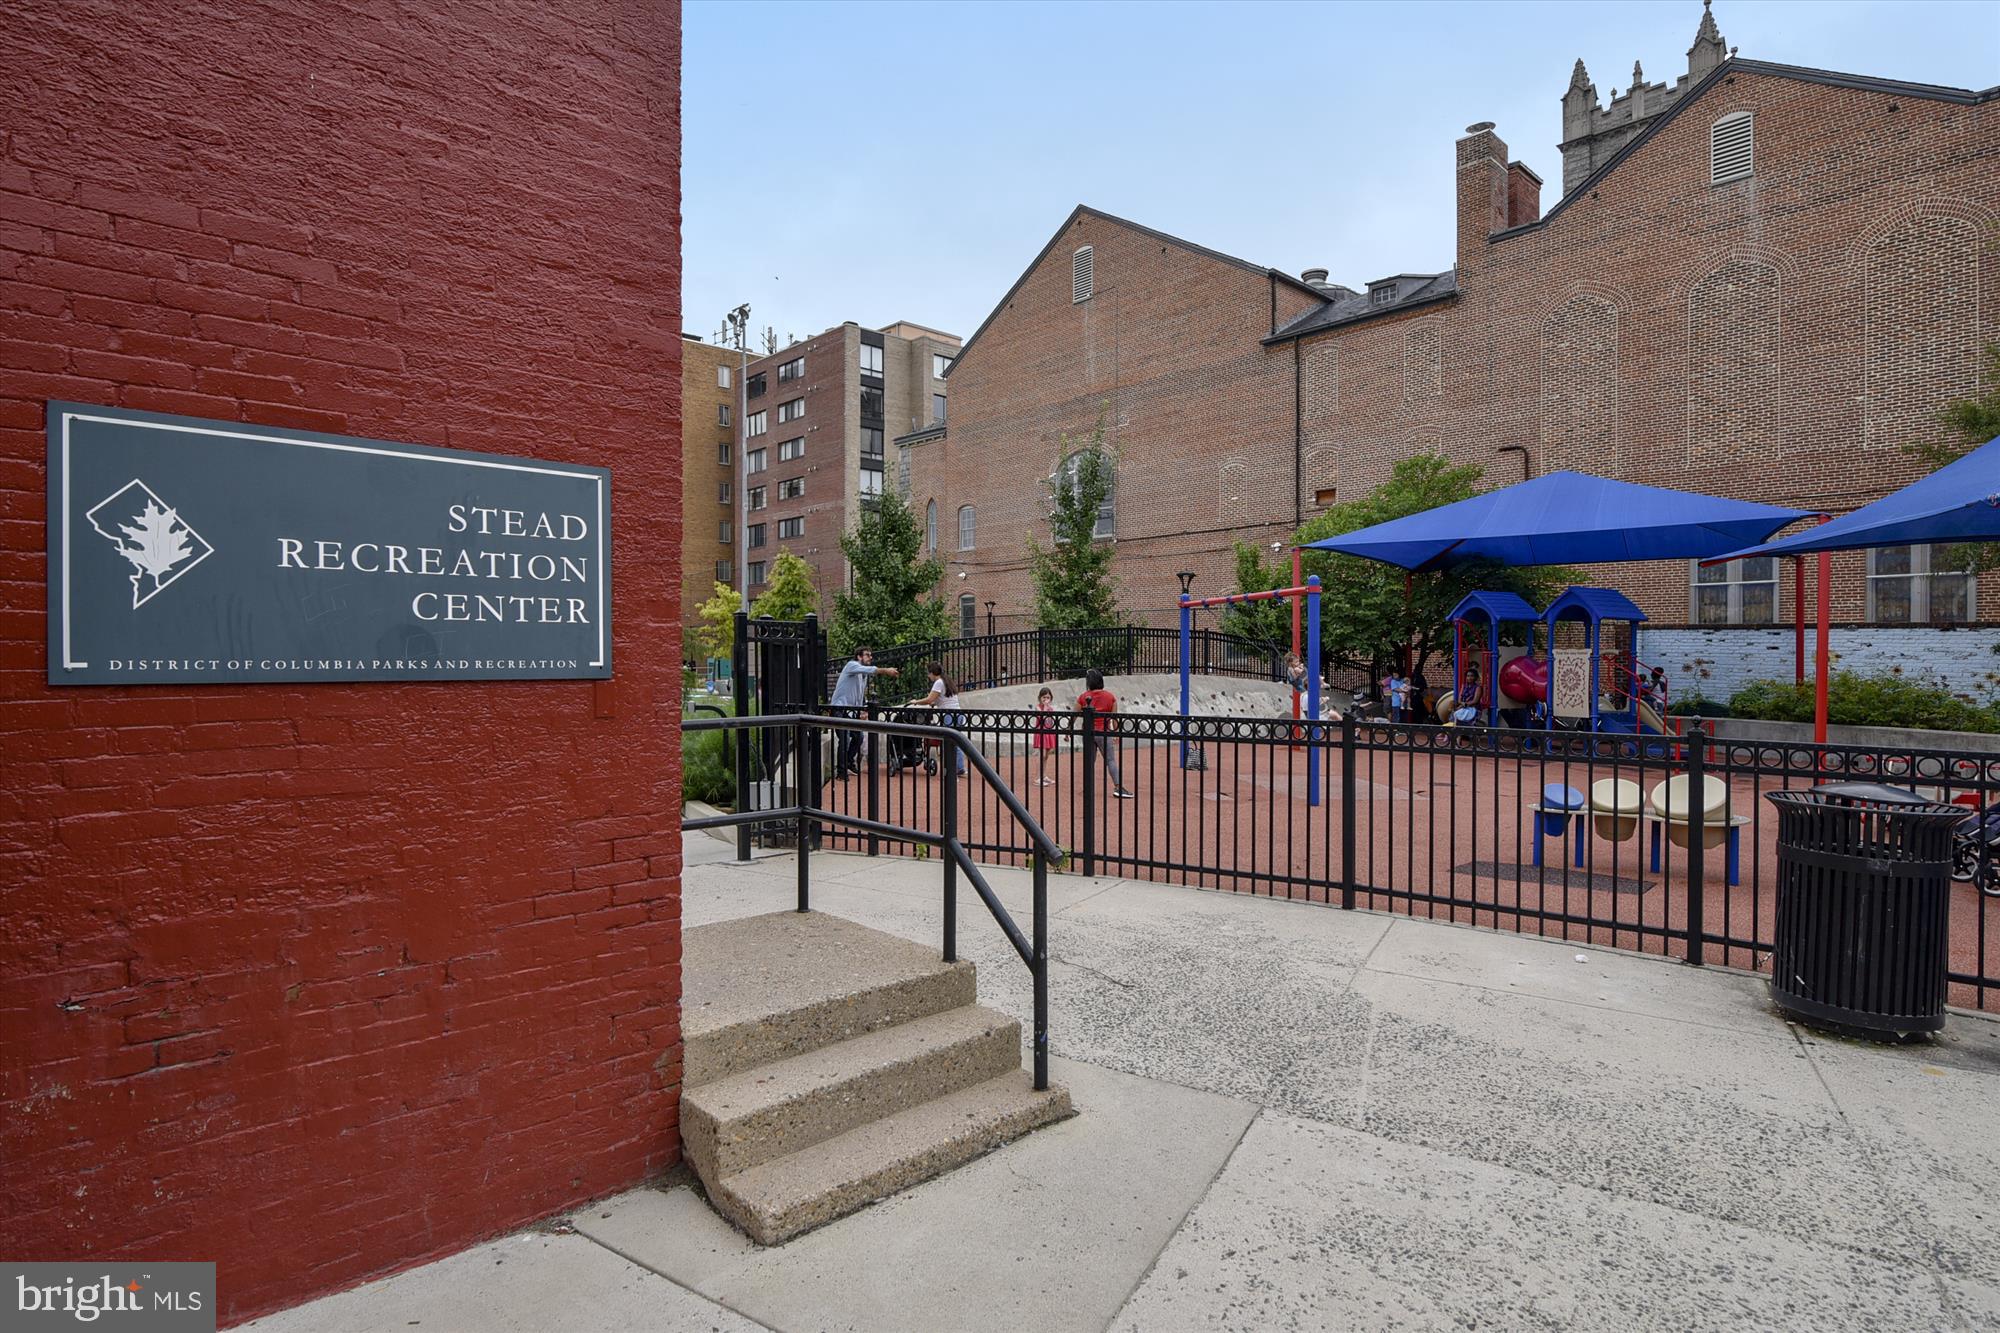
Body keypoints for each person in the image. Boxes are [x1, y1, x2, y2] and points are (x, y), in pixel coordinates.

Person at [829, 647, 898, 778]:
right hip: (839, 709)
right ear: (859, 657)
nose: (870, 658)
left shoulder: (862, 675)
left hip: (851, 711)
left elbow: (859, 693)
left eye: (871, 655)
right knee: (844, 740)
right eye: (867, 655)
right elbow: (870, 669)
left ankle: (849, 763)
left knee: (858, 737)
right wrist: (885, 671)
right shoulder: (851, 665)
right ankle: (841, 772)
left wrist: (862, 709)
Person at [1075, 669, 1133, 799]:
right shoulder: (1110, 697)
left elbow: (1075, 713)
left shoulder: (1083, 696)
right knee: (1110, 760)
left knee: (1089, 761)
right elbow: (1114, 717)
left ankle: (1088, 788)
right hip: (1104, 732)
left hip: (1088, 733)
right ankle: (1118, 787)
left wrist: (1069, 728)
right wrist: (1116, 733)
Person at [917, 661, 967, 776]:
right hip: (957, 713)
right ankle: (959, 768)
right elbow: (945, 698)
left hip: (949, 715)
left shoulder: (938, 682)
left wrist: (916, 701)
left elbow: (929, 699)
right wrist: (936, 704)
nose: (928, 676)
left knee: (949, 742)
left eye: (928, 673)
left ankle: (951, 768)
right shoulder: (946, 680)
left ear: (933, 673)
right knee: (955, 741)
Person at [1032, 686, 1059, 785]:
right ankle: (1037, 778)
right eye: (1044, 697)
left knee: (1046, 756)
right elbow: (1041, 719)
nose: (1046, 700)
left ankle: (1043, 775)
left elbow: (1050, 722)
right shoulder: (1038, 707)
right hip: (1041, 732)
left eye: (1048, 697)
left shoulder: (1051, 709)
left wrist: (1048, 709)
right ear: (1040, 698)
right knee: (1041, 755)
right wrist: (1046, 708)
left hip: (1048, 732)